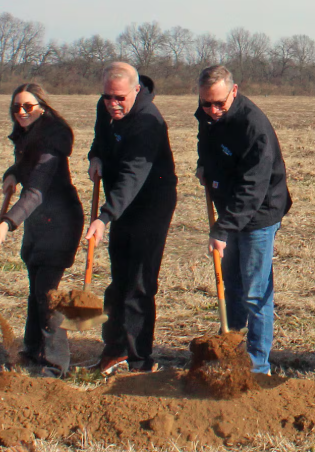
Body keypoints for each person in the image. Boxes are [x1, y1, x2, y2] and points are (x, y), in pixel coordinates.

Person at [195, 65, 291, 375]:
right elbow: (209, 146)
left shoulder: (253, 126)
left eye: (219, 103)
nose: (212, 110)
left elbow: (254, 187)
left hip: (260, 213)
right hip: (231, 210)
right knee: (231, 285)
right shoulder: (208, 117)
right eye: (206, 103)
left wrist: (223, 228)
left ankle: (257, 366)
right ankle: (232, 352)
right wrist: (204, 166)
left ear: (234, 92)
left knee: (254, 290)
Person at [86, 62, 177, 374]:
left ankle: (140, 361)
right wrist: (95, 156)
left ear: (136, 90)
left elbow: (132, 177)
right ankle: (115, 350)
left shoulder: (148, 123)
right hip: (121, 205)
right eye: (108, 97)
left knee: (139, 284)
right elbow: (100, 137)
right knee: (118, 281)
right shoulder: (106, 107)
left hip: (150, 205)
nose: (112, 103)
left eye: (119, 98)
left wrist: (104, 217)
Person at [0, 83, 84, 378]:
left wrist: (7, 222)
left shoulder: (52, 139)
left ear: (42, 106)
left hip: (60, 221)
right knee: (36, 289)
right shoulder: (30, 133)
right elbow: (26, 164)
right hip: (39, 222)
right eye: (16, 107)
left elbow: (38, 189)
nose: (21, 112)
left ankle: (55, 365)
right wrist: (12, 173)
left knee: (48, 294)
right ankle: (33, 349)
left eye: (28, 106)